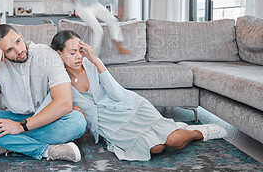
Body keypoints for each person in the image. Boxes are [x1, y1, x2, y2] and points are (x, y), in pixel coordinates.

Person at [50, 30, 228, 161]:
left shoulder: (90, 66)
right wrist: (71, 106)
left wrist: (96, 61)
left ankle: (199, 132)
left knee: (174, 140)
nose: (78, 57)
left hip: (129, 108)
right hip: (111, 125)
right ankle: (174, 126)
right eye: (72, 53)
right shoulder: (58, 79)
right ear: (59, 54)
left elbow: (117, 94)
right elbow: (53, 104)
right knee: (156, 148)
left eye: (80, 51)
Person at [0, 25, 87, 162]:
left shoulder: (46, 55)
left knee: (77, 121)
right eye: (9, 50)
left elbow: (64, 103)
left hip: (45, 118)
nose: (18, 50)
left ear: (21, 36)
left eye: (18, 41)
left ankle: (8, 145)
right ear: (1, 53)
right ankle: (47, 151)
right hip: (14, 117)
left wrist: (19, 127)